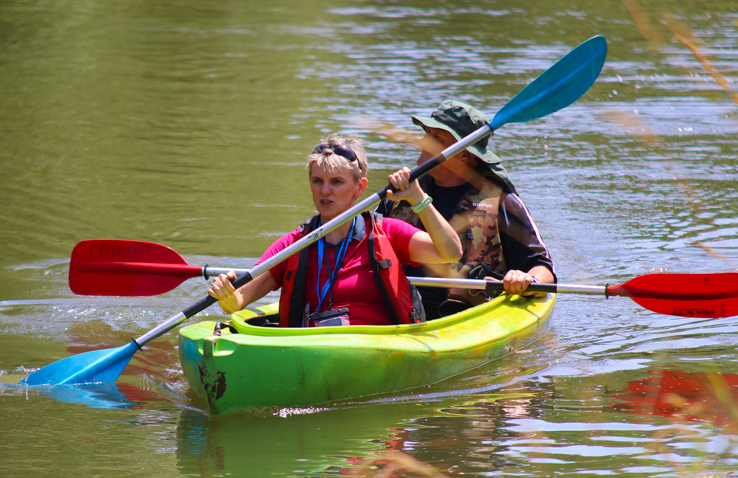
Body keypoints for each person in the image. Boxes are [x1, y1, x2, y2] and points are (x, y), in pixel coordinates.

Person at [208, 133, 464, 327]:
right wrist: (225, 293)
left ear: (360, 188)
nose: (324, 191)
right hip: (315, 351)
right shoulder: (295, 243)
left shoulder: (387, 232)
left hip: (380, 348)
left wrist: (418, 199)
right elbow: (239, 300)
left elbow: (451, 252)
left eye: (336, 182)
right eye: (317, 181)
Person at [376, 100, 556, 319]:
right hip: (402, 312)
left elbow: (543, 269)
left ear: (464, 155)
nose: (423, 141)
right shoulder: (397, 197)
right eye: (427, 133)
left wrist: (527, 279)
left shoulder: (502, 203)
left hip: (471, 317)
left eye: (437, 138)